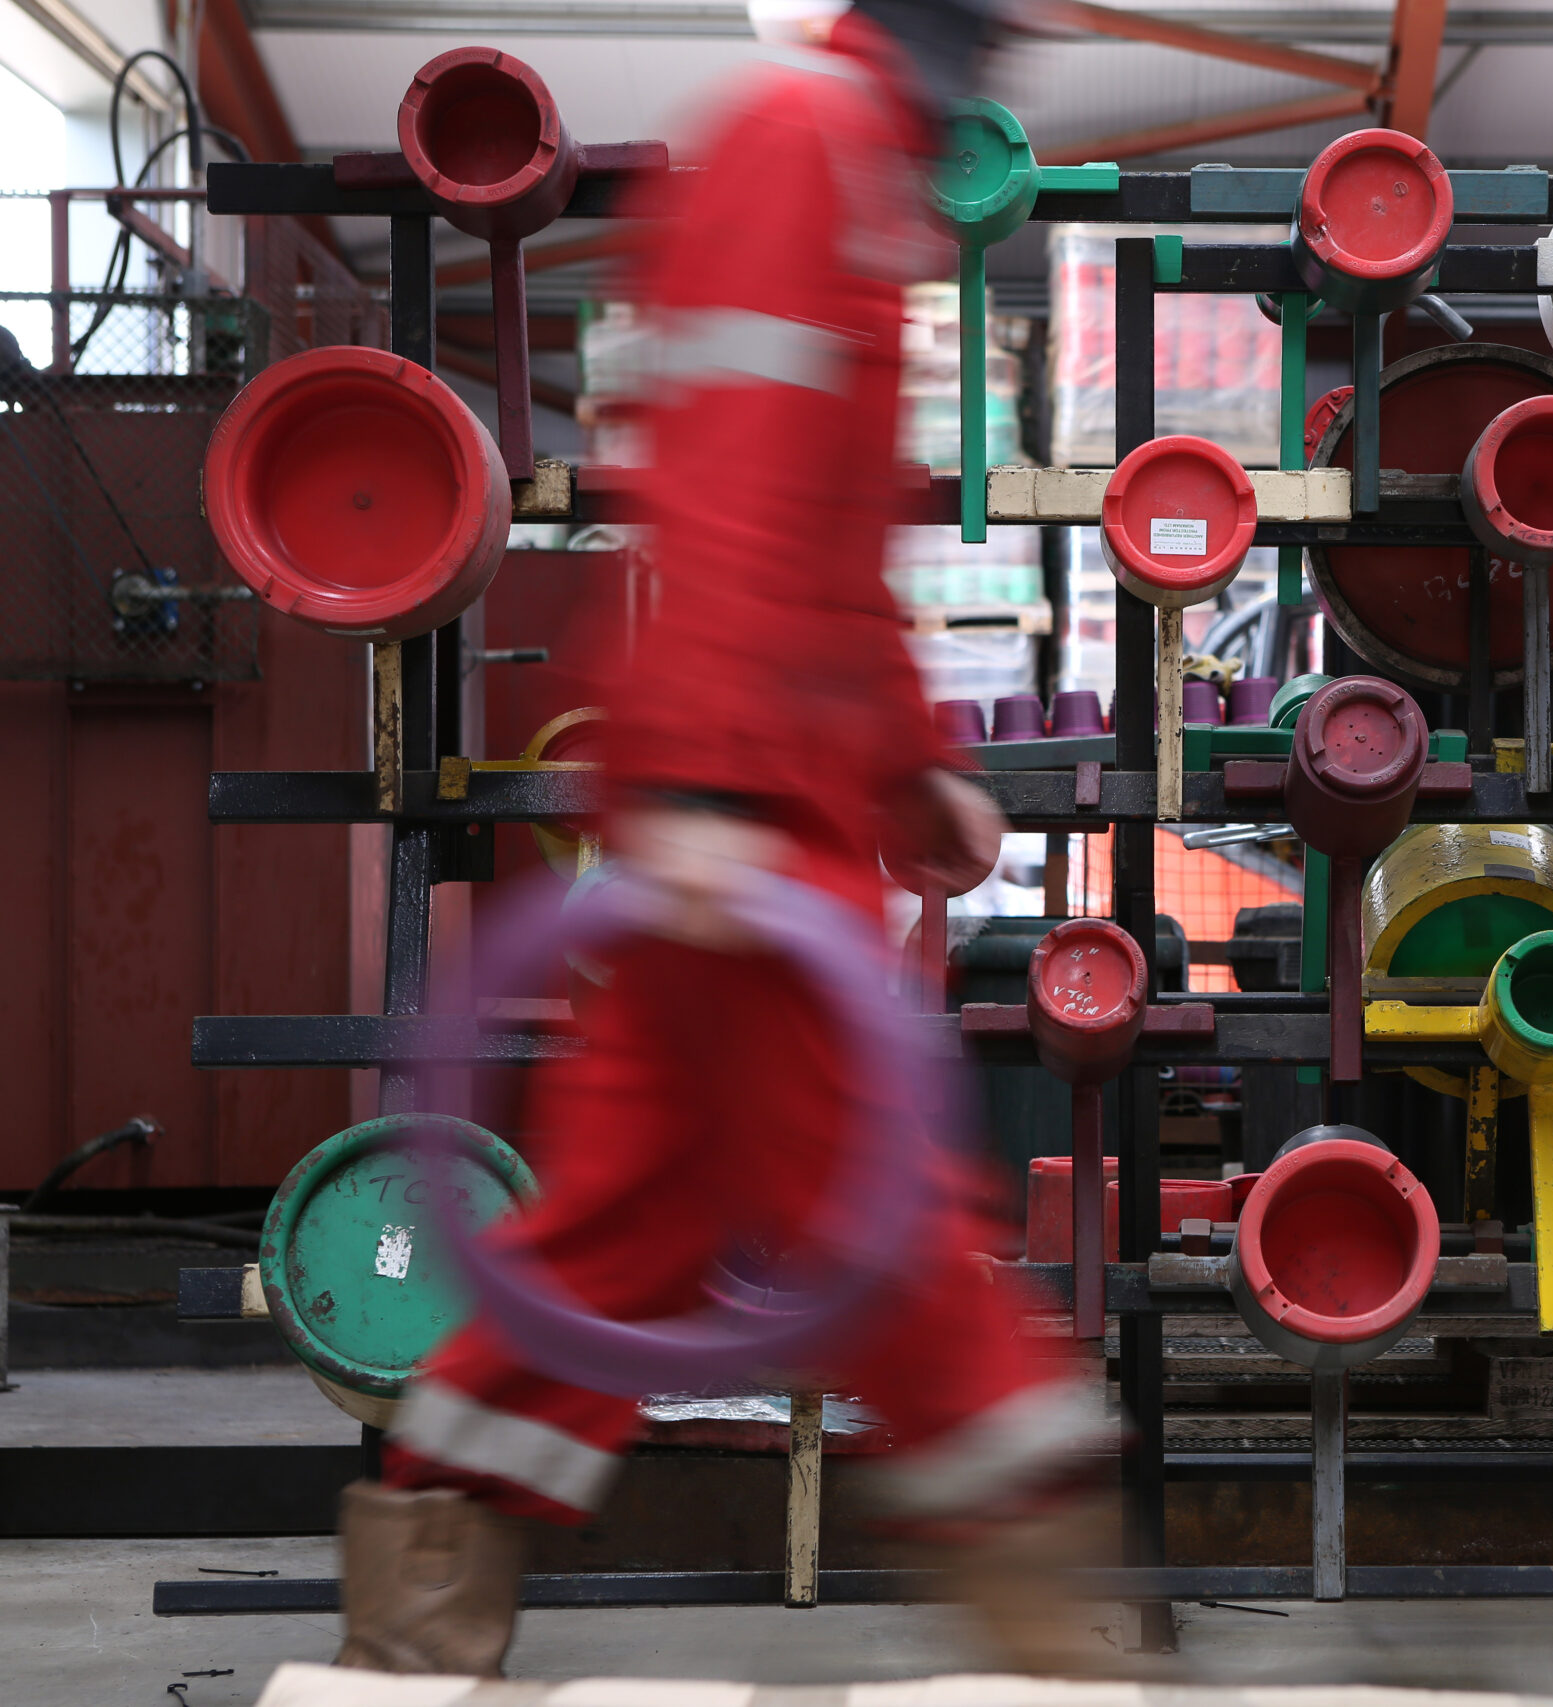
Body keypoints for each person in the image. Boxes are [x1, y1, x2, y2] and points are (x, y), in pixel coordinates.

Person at [335, 0, 1113, 1677]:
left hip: (771, 795)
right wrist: (697, 790)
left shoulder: (843, 172)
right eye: (993, 40)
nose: (1002, 78)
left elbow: (832, 539)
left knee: (630, 1224)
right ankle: (1059, 1616)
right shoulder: (800, 147)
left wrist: (912, 771)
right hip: (746, 810)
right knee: (882, 1212)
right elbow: (738, 495)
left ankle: (426, 1583)